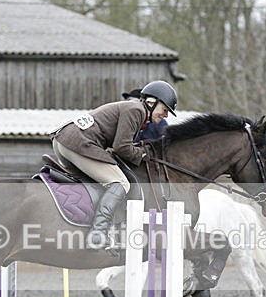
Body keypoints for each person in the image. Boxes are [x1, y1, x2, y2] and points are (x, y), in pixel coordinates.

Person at [52, 80, 178, 251]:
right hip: (79, 144)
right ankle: (98, 233)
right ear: (152, 102)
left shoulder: (132, 108)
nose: (166, 115)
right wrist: (141, 155)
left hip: (64, 141)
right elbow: (122, 147)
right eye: (165, 110)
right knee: (120, 183)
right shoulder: (136, 110)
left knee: (98, 183)